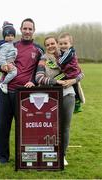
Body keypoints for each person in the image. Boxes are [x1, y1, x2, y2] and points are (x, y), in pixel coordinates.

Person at [0, 18, 44, 164]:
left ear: (34, 30)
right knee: (2, 125)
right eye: (25, 28)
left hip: (24, 94)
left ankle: (23, 156)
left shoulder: (39, 49)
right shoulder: (11, 45)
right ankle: (2, 157)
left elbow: (40, 71)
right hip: (5, 91)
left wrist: (34, 82)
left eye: (30, 29)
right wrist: (1, 67)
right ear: (21, 30)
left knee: (24, 128)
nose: (27, 31)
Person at [35, 35, 84, 165]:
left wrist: (73, 80)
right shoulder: (43, 59)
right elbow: (39, 78)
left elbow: (81, 74)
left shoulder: (67, 55)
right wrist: (57, 81)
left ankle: (62, 155)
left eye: (53, 43)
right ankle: (48, 153)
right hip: (50, 97)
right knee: (49, 127)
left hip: (68, 95)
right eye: (48, 45)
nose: (51, 46)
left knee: (65, 127)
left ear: (57, 44)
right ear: (45, 47)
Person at [57, 32, 85, 113]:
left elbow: (61, 61)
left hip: (71, 73)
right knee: (56, 79)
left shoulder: (69, 52)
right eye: (61, 44)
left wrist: (56, 62)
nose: (63, 45)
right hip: (68, 72)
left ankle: (77, 102)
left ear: (71, 44)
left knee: (74, 86)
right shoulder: (64, 52)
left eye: (65, 43)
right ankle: (77, 102)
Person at [0, 21, 17, 94]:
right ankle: (4, 83)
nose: (10, 37)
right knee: (14, 72)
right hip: (6, 63)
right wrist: (4, 64)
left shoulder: (11, 44)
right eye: (8, 36)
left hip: (9, 62)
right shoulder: (5, 45)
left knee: (3, 74)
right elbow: (1, 56)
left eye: (12, 35)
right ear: (4, 36)